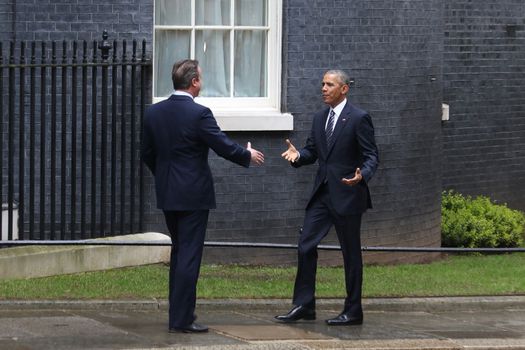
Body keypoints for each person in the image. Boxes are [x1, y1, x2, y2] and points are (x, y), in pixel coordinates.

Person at [141, 59, 264, 333]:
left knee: (179, 252)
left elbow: (147, 153)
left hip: (168, 192)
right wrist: (247, 154)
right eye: (202, 79)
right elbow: (221, 145)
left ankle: (178, 316)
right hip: (193, 194)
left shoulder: (153, 113)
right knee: (189, 255)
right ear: (194, 82)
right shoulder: (199, 114)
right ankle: (183, 320)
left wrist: (164, 176)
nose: (203, 83)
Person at [275, 69, 379, 326]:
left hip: (348, 193)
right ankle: (304, 305)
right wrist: (298, 157)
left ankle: (353, 310)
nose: (323, 88)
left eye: (329, 84)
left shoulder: (359, 118)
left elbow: (371, 156)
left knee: (350, 254)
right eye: (322, 83)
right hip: (322, 195)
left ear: (344, 89)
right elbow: (312, 151)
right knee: (305, 245)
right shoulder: (320, 117)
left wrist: (362, 175)